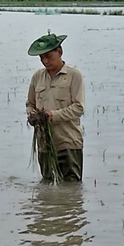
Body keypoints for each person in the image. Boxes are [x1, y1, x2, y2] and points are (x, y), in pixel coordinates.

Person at [25, 31, 85, 183]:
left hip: (68, 142)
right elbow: (30, 103)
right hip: (44, 143)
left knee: (71, 186)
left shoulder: (73, 75)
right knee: (47, 184)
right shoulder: (37, 76)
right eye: (41, 58)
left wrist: (52, 115)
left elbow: (79, 108)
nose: (45, 61)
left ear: (60, 52)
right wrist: (32, 116)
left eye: (49, 57)